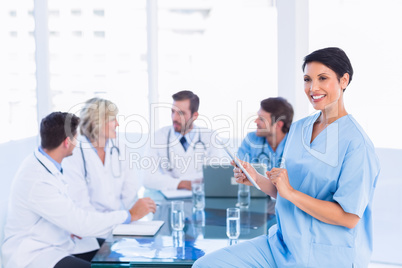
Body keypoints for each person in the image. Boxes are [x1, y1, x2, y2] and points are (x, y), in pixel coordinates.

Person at [193, 47, 380, 267]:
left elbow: (348, 217)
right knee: (207, 265)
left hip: (325, 255)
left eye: (323, 78)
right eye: (307, 79)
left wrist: (290, 192)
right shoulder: (299, 129)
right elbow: (283, 192)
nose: (313, 88)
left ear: (344, 80)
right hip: (282, 244)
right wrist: (256, 178)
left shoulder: (357, 144)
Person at [1, 112, 153, 268]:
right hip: (34, 255)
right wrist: (129, 215)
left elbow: (68, 213)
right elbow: (81, 223)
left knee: (115, 255)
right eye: (76, 137)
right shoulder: (37, 179)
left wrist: (72, 225)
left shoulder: (48, 162)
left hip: (60, 240)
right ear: (67, 142)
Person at [62, 97, 156, 252]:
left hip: (116, 229)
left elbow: (130, 194)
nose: (118, 124)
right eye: (113, 120)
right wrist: (125, 217)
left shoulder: (121, 148)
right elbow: (81, 207)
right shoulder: (75, 153)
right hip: (87, 236)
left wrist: (142, 212)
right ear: (96, 122)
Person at [143, 90, 224, 191]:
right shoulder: (158, 137)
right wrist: (181, 183)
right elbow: (148, 179)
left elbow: (216, 176)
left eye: (181, 113)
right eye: (173, 112)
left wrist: (167, 181)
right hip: (168, 202)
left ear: (194, 116)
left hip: (200, 200)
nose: (174, 118)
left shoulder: (210, 137)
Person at [237, 97, 293, 170]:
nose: (256, 121)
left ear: (278, 125)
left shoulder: (295, 144)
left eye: (261, 119)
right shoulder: (251, 139)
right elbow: (238, 171)